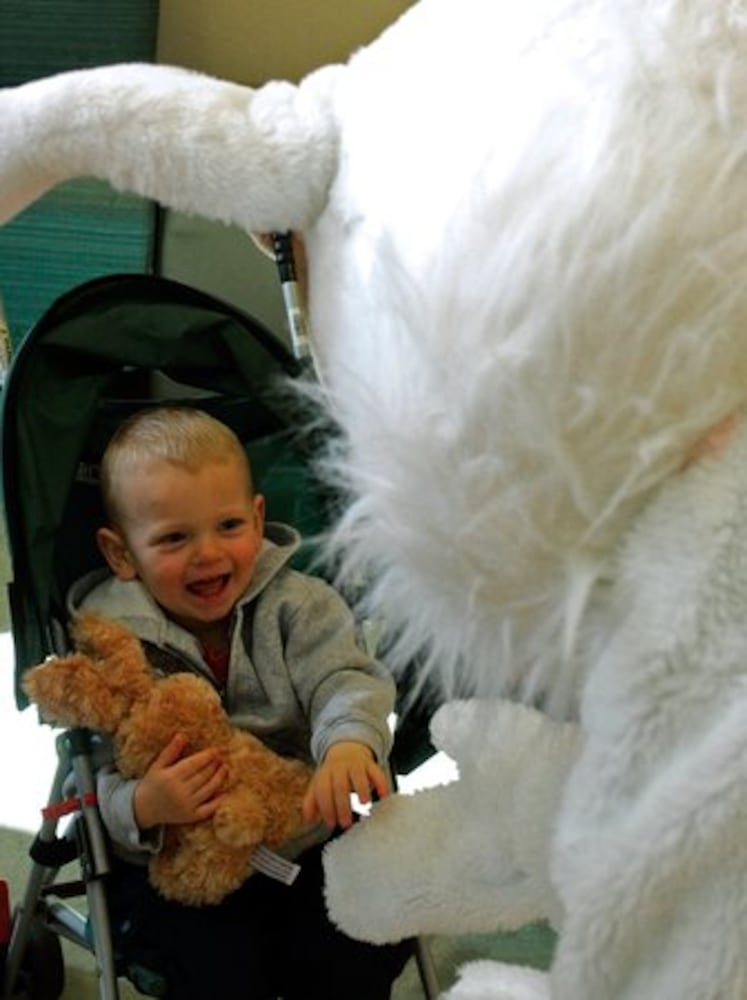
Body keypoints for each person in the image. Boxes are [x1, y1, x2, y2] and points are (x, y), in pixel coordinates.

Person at [68, 405, 413, 1000]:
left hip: (304, 829)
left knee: (363, 944)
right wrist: (146, 805)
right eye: (175, 537)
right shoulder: (111, 645)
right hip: (186, 864)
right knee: (210, 970)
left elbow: (344, 678)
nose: (208, 553)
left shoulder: (301, 605)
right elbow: (99, 784)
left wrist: (349, 741)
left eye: (228, 526)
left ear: (257, 519)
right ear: (121, 553)